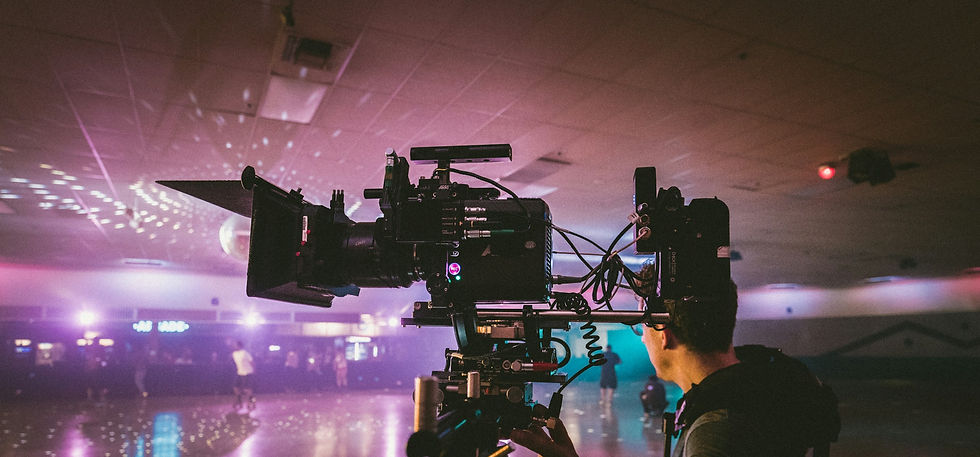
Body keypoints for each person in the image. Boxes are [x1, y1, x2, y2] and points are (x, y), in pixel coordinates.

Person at [512, 279, 840, 457]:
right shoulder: (753, 392)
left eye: (643, 330)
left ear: (664, 334)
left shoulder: (717, 432)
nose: (642, 341)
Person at [231, 341, 256, 411]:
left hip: (247, 372)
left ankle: (251, 401)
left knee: (247, 389)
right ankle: (239, 400)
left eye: (235, 345)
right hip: (239, 372)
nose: (234, 346)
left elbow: (252, 362)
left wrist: (254, 370)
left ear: (239, 346)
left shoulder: (245, 353)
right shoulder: (234, 354)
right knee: (235, 387)